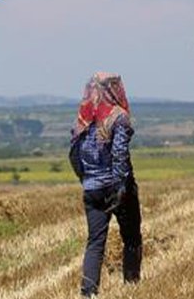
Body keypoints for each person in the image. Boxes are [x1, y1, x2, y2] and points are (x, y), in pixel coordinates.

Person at [69, 72, 142, 296]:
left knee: (95, 243)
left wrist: (86, 179)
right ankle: (131, 287)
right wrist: (121, 187)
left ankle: (88, 292)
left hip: (91, 189)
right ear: (113, 89)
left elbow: (73, 155)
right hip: (117, 187)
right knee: (131, 237)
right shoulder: (119, 116)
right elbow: (119, 154)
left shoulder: (83, 118)